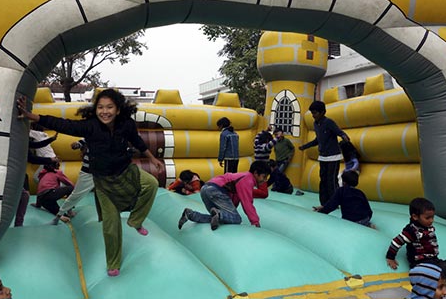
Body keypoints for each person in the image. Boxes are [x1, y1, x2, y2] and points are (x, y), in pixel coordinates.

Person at [17, 88, 164, 277]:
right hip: (103, 180)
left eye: (110, 107)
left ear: (118, 109)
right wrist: (32, 116)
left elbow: (137, 141)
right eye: (100, 107)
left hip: (126, 171)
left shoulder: (126, 124)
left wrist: (152, 159)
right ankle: (113, 262)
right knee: (110, 225)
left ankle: (135, 221)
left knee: (151, 184)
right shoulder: (91, 126)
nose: (105, 111)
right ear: (95, 110)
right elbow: (63, 124)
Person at [386, 197, 446, 292]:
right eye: (427, 218)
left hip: (433, 260)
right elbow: (396, 242)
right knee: (445, 269)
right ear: (415, 217)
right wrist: (390, 257)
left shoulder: (427, 227)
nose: (431, 220)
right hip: (420, 263)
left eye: (432, 217)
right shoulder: (411, 230)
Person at [177, 161, 271, 231]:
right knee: (236, 219)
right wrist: (255, 223)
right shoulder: (247, 179)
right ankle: (219, 213)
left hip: (206, 189)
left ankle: (191, 214)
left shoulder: (242, 177)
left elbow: (235, 198)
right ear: (255, 173)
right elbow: (247, 203)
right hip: (216, 190)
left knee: (222, 218)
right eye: (263, 176)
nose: (264, 180)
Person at [298, 101, 349, 205]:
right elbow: (318, 140)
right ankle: (324, 202)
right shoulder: (316, 124)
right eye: (312, 113)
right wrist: (305, 146)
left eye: (315, 113)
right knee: (323, 180)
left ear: (323, 112)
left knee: (331, 180)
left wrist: (345, 137)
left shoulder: (329, 122)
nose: (313, 115)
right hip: (323, 156)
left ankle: (335, 202)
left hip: (333, 156)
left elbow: (340, 132)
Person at [50, 139, 92, 224]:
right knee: (76, 194)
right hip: (88, 171)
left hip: (104, 171)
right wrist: (77, 144)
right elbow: (80, 142)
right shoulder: (92, 132)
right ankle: (58, 216)